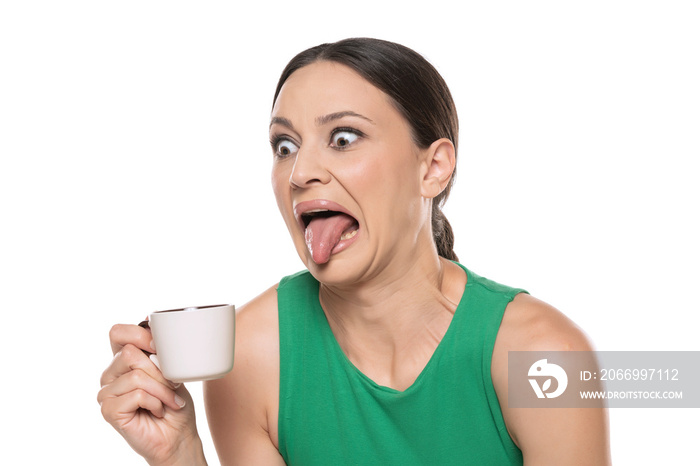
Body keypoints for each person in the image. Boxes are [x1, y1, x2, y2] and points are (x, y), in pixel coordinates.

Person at [98, 38, 611, 465]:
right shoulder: (252, 357)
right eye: (285, 147)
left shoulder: (544, 355)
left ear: (432, 167)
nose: (300, 173)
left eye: (343, 138)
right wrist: (182, 454)